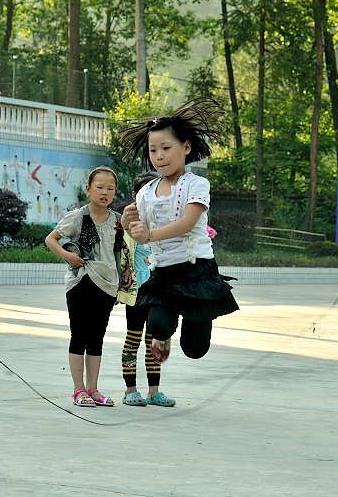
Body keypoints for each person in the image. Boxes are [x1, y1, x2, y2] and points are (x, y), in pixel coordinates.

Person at [118, 97, 239, 364]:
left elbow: (187, 223)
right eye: (152, 150)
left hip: (197, 270)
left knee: (195, 349)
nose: (159, 156)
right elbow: (140, 229)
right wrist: (128, 222)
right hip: (164, 272)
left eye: (165, 148)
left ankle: (197, 322)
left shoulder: (197, 184)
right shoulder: (146, 192)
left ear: (185, 147)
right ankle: (162, 334)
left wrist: (149, 235)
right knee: (159, 324)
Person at [45, 167, 126, 407]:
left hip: (107, 283)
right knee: (79, 335)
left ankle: (93, 389)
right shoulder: (77, 217)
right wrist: (66, 255)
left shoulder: (117, 221)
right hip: (80, 281)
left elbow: (120, 253)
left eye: (110, 189)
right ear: (88, 189)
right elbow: (51, 239)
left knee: (97, 337)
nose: (105, 192)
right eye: (99, 187)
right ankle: (78, 390)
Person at [117, 172, 175, 407]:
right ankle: (131, 390)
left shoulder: (166, 223)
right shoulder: (126, 224)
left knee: (156, 342)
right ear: (134, 196)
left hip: (159, 293)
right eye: (145, 193)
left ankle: (154, 392)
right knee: (133, 339)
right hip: (136, 293)